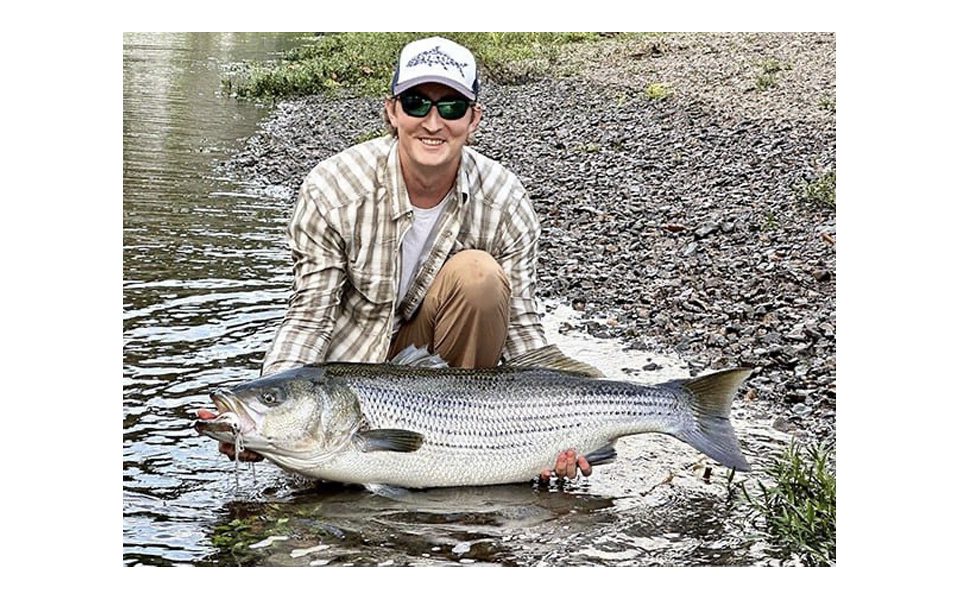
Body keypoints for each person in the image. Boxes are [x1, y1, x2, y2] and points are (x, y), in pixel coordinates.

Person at [220, 36, 592, 483]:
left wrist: (565, 422)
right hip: (354, 389)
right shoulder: (332, 189)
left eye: (451, 107)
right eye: (417, 104)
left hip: (452, 386)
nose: (433, 122)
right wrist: (270, 414)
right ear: (391, 111)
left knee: (479, 277)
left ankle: (466, 457)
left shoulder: (505, 201)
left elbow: (523, 332)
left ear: (474, 119)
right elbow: (309, 317)